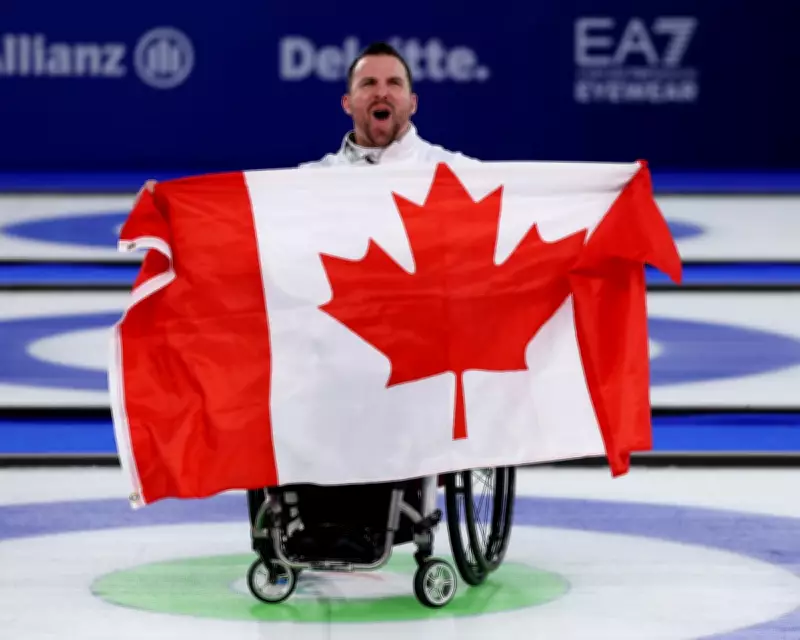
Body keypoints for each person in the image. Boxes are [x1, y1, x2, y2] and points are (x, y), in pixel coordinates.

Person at [140, 40, 476, 194]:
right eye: (368, 83)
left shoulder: (457, 173)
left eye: (394, 83)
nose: (381, 92)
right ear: (347, 103)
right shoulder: (312, 182)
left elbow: (522, 202)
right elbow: (238, 213)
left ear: (413, 102)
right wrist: (170, 204)